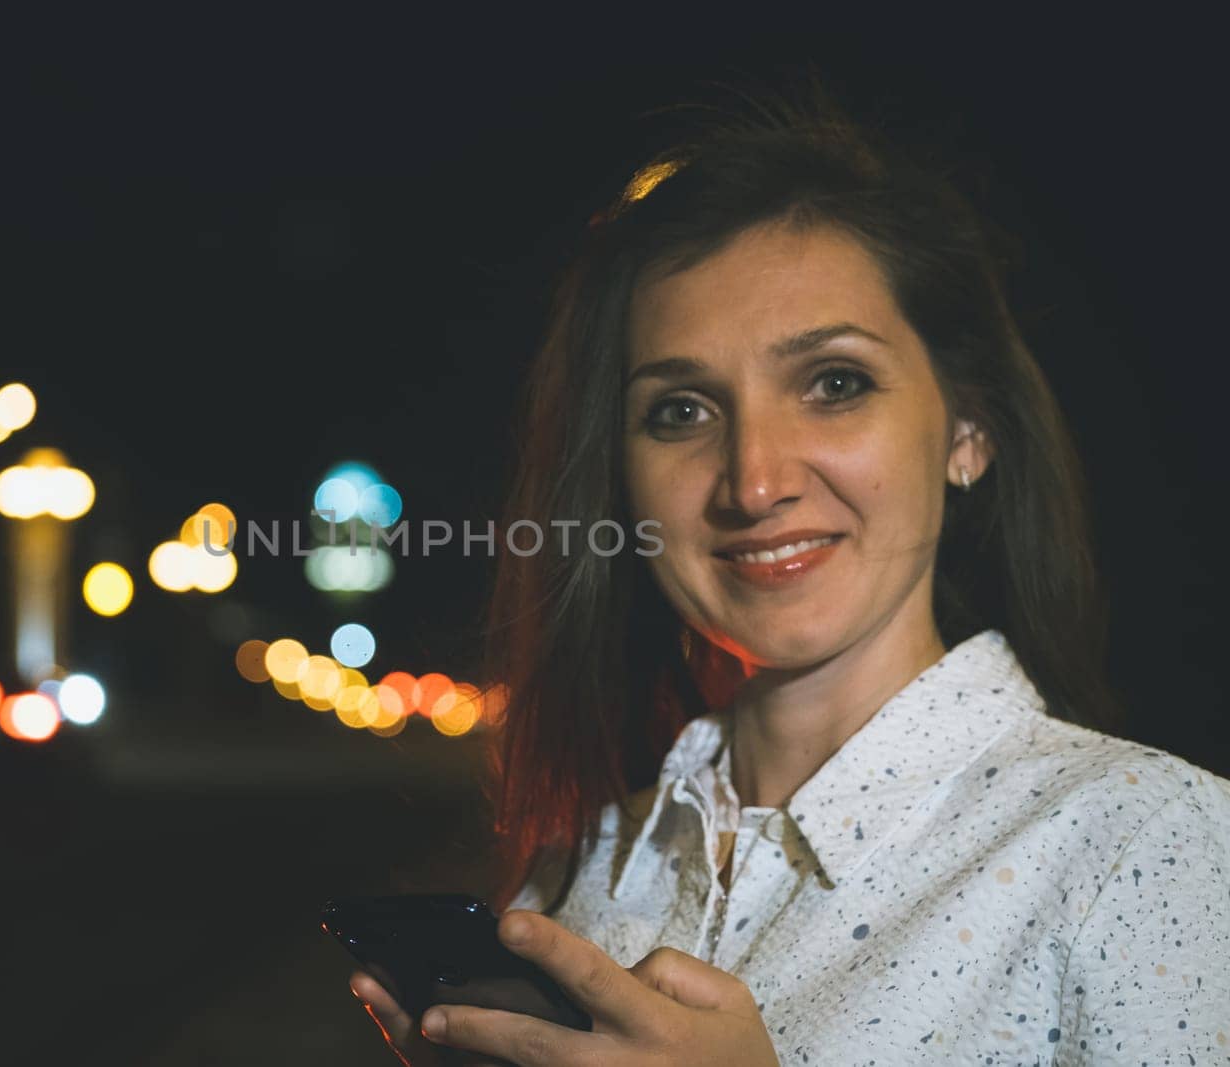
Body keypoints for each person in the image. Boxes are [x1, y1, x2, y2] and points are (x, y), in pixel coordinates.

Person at [346, 81, 1230, 1065]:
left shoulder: (1140, 840)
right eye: (680, 409)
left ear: (967, 429)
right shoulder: (584, 858)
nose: (754, 479)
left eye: (834, 384)